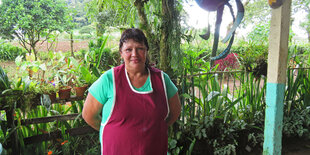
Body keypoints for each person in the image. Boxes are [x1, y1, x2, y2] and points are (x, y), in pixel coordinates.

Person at [82, 28, 181, 155]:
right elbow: (88, 115)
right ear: (121, 53)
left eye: (140, 48)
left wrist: (156, 129)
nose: (134, 54)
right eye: (128, 49)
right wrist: (110, 130)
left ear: (146, 51)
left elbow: (175, 112)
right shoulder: (108, 79)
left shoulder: (162, 80)